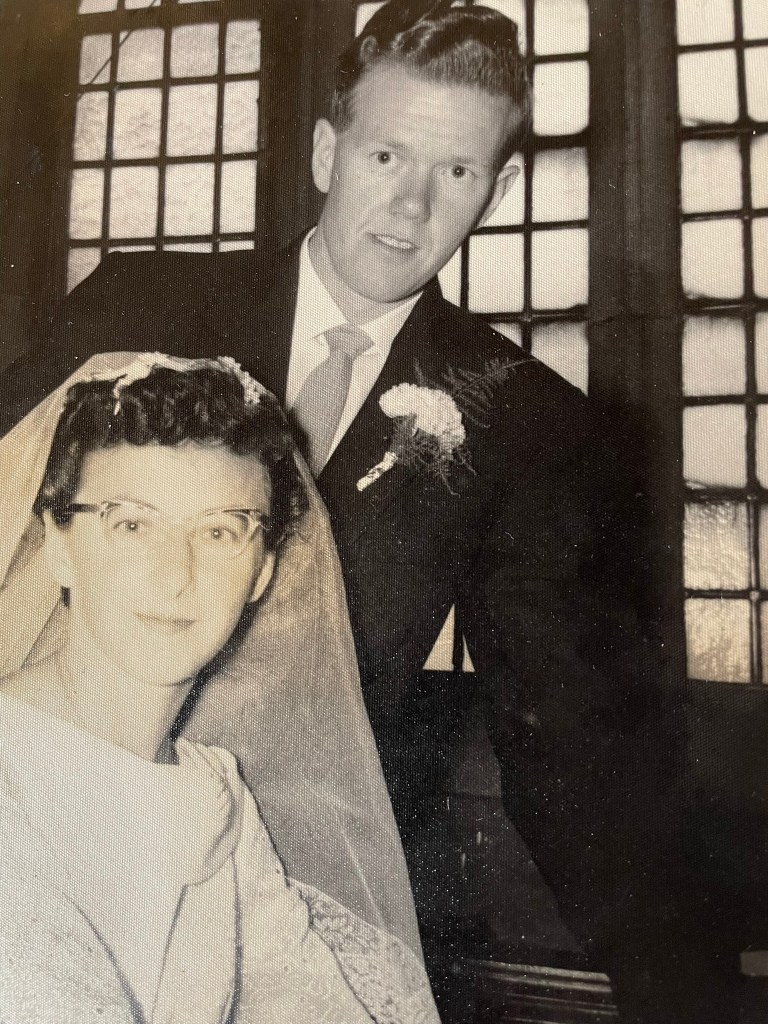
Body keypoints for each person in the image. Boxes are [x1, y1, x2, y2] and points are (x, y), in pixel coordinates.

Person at [0, 3, 705, 1021]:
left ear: (498, 190)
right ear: (329, 152)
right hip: (52, 822)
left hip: (295, 887)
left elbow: (569, 733)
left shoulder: (524, 421)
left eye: (455, 172)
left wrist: (679, 987)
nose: (410, 206)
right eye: (385, 155)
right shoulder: (138, 305)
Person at [0, 351, 439, 1024]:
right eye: (132, 524)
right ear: (57, 543)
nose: (176, 574)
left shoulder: (217, 791)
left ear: (262, 571)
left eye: (218, 531)